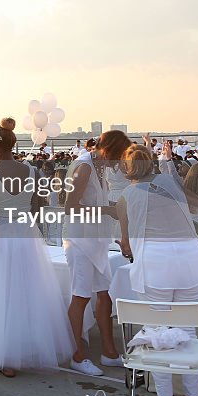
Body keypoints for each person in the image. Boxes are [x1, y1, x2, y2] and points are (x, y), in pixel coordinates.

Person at [0, 119, 75, 375]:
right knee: (25, 292)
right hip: (25, 236)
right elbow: (38, 206)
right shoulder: (31, 172)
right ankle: (27, 348)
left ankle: (5, 356)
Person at [116, 145, 198, 396]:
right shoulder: (168, 181)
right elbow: (194, 206)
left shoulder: (126, 195)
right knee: (188, 328)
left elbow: (127, 244)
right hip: (191, 259)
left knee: (157, 331)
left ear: (126, 167)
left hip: (157, 264)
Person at [64, 128, 122, 376]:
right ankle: (78, 355)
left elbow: (94, 201)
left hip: (96, 240)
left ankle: (109, 353)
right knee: (81, 297)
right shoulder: (85, 167)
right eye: (117, 157)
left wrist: (114, 206)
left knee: (105, 296)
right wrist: (108, 211)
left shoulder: (100, 168)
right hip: (80, 241)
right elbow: (70, 207)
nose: (118, 162)